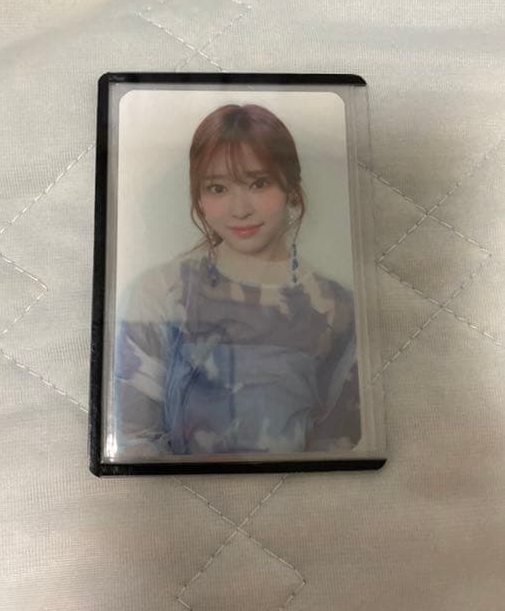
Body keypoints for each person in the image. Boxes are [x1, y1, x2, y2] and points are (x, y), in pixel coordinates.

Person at [110, 103, 360, 459]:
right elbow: (133, 440)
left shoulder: (338, 308)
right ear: (199, 198)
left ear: (291, 188)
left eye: (259, 183)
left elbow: (342, 447)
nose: (240, 209)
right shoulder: (160, 294)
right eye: (218, 188)